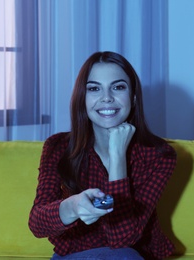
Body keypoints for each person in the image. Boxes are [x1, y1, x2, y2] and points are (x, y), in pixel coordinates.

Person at [28, 51, 177, 260]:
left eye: (117, 87)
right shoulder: (58, 146)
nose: (106, 97)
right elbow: (37, 224)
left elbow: (121, 239)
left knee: (123, 256)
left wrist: (117, 156)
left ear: (133, 98)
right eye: (94, 88)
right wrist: (72, 206)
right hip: (74, 256)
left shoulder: (159, 156)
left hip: (130, 256)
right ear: (83, 98)